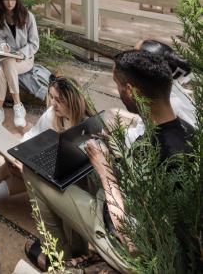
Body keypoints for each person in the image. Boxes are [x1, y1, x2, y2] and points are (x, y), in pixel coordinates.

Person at [23, 50, 194, 273]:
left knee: (32, 170)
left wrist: (105, 172)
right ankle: (75, 247)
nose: (117, 91)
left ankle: (58, 256)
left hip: (118, 234)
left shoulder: (161, 154)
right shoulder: (184, 130)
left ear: (131, 91)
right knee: (75, 162)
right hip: (124, 203)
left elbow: (131, 239)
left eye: (118, 85)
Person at [0, 74, 96, 213]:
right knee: (15, 162)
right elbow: (33, 134)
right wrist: (18, 154)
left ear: (72, 102)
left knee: (29, 173)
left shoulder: (86, 126)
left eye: (59, 100)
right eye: (52, 97)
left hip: (67, 176)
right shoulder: (53, 113)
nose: (53, 103)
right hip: (50, 161)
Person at [0, 0, 39, 129]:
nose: (10, 3)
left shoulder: (28, 16)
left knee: (2, 68)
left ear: (16, 0)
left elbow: (34, 44)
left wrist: (21, 53)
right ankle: (17, 107)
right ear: (1, 1)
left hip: (25, 59)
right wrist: (3, 46)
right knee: (4, 65)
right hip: (8, 57)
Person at [125, 38, 195, 140]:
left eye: (134, 56)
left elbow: (143, 140)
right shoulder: (167, 86)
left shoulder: (163, 101)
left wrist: (123, 133)